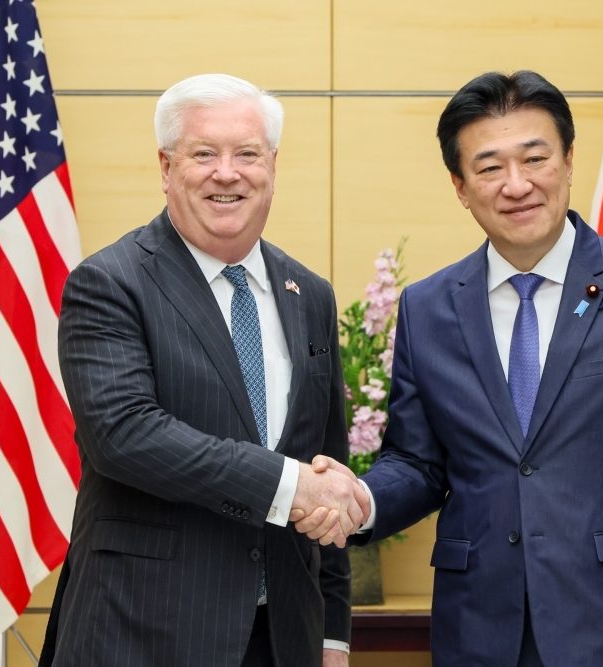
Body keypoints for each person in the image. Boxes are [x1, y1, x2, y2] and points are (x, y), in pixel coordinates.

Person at [293, 71, 603, 667]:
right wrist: (361, 500)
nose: (516, 185)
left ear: (569, 161)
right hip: (479, 631)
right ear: (460, 187)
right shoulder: (428, 307)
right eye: (489, 167)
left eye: (535, 159)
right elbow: (419, 463)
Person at [38, 74, 366, 667]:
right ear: (166, 168)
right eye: (204, 154)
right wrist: (288, 485)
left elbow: (326, 465)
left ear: (273, 166)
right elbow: (124, 435)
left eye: (248, 154)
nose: (227, 173)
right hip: (143, 632)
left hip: (283, 638)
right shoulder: (110, 283)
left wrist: (333, 636)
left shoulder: (309, 294)